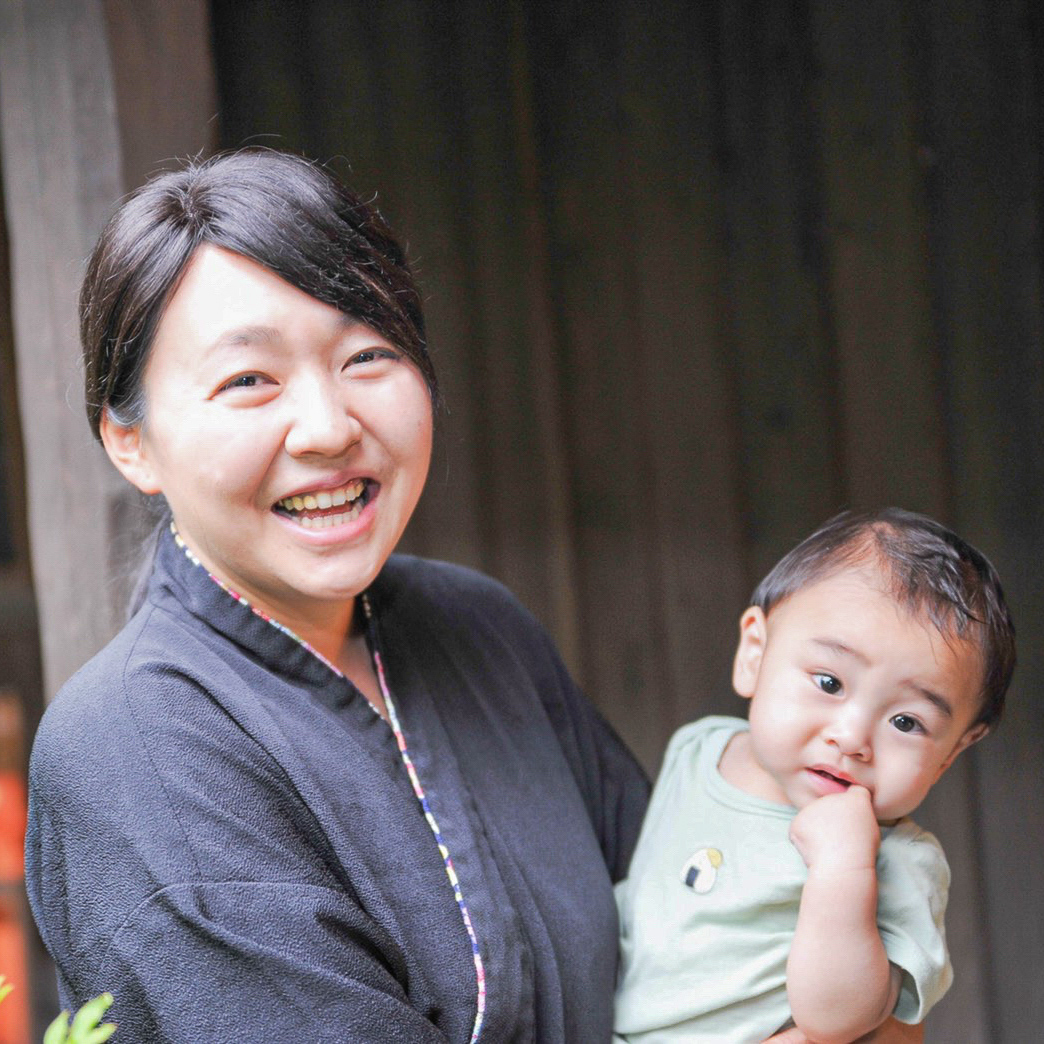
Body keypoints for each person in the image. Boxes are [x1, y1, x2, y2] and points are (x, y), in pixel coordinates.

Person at [24, 149, 652, 1042]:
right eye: (250, 380)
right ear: (132, 443)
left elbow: (700, 912)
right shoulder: (131, 747)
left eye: (368, 354)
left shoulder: (480, 629)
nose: (327, 428)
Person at [613, 508, 1015, 1044]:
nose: (852, 737)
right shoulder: (699, 749)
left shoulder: (898, 861)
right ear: (754, 655)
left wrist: (841, 868)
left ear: (949, 755)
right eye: (829, 682)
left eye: (906, 722)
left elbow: (839, 1020)